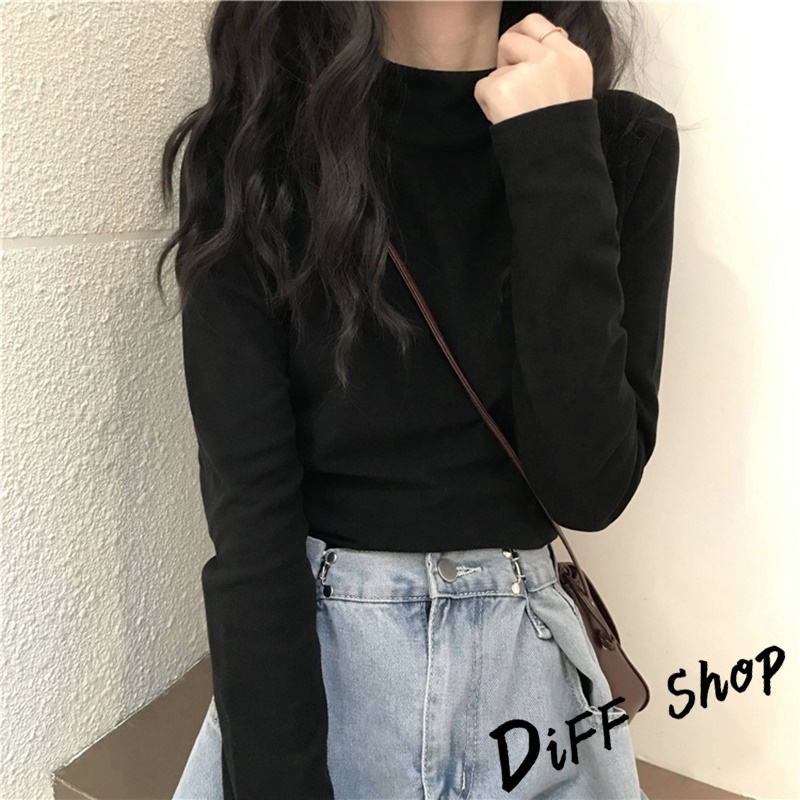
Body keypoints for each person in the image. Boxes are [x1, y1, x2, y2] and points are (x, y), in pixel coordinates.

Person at [157, 1, 680, 798]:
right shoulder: (259, 148)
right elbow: (252, 522)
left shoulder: (616, 140)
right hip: (318, 667)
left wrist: (554, 151)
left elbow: (589, 486)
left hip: (526, 678)